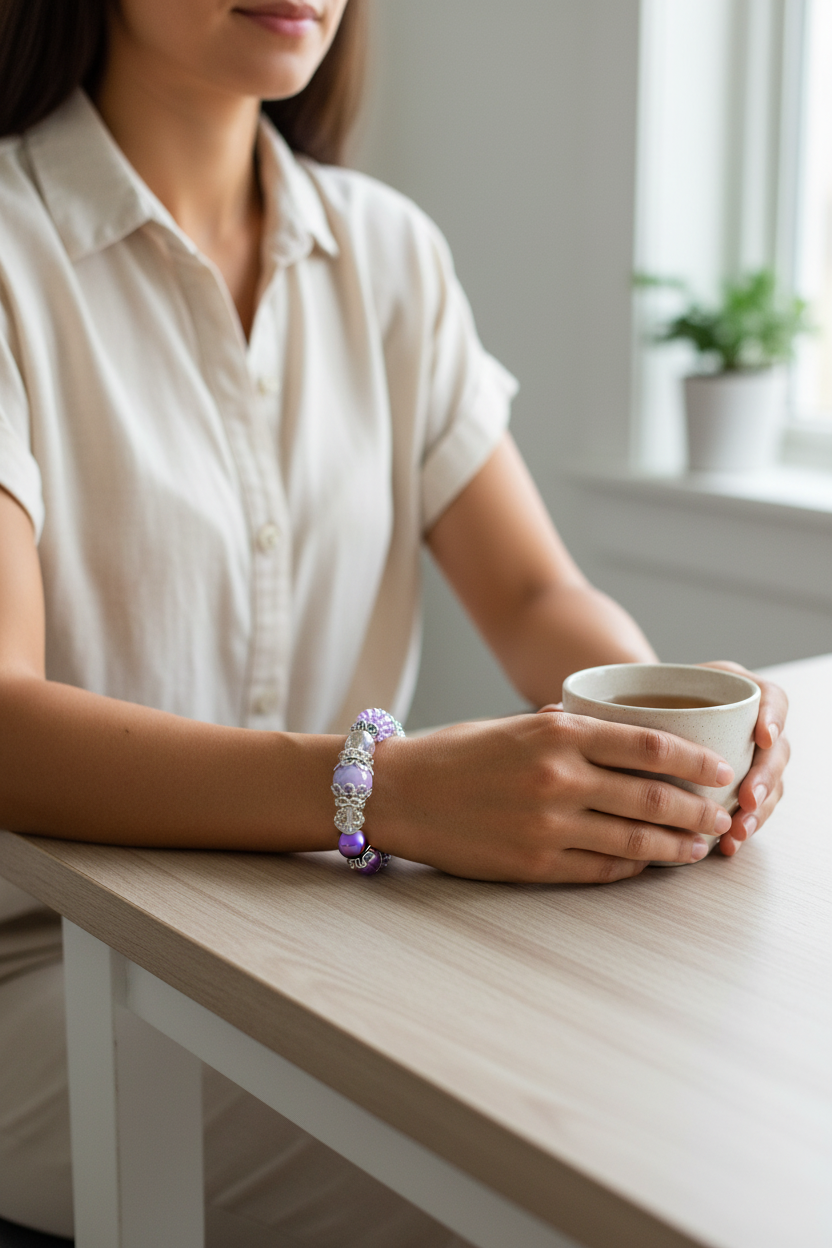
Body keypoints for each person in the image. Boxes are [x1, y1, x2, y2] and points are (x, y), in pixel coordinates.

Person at [0, 0, 789, 1242]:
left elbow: (534, 596)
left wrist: (663, 730)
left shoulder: (388, 255)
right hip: (48, 971)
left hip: (335, 940)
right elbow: (6, 721)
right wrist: (385, 791)